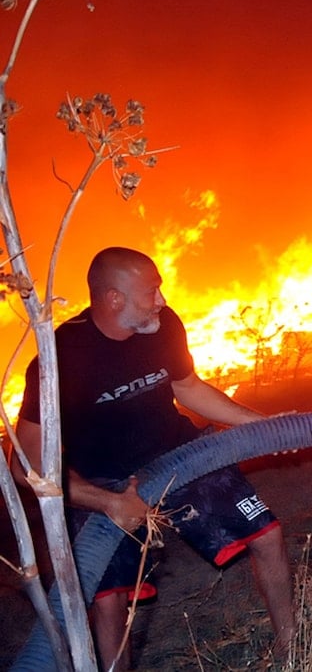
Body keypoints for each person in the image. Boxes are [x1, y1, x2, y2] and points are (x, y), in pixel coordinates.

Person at [15, 247, 296, 669]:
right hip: (102, 480)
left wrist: (261, 425)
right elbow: (27, 465)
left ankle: (293, 649)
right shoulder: (59, 361)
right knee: (109, 604)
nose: (162, 300)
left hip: (179, 456)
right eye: (152, 291)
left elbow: (189, 389)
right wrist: (109, 502)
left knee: (267, 536)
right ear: (114, 299)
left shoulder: (162, 328)